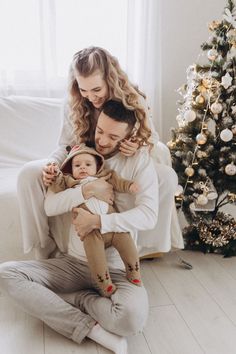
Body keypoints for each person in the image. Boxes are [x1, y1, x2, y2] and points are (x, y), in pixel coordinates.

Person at [0, 100, 159, 354]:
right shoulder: (79, 157)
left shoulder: (139, 161)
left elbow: (149, 215)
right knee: (6, 274)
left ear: (129, 136)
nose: (103, 141)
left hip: (114, 269)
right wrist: (87, 189)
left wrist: (99, 222)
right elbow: (51, 206)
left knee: (131, 319)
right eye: (100, 131)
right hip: (73, 263)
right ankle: (89, 327)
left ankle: (78, 299)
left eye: (113, 136)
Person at [17, 45, 178, 260]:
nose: (91, 97)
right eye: (83, 90)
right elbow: (65, 145)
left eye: (96, 90)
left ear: (110, 80)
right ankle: (43, 246)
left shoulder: (133, 99)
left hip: (119, 162)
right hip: (84, 164)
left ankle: (144, 248)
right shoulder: (74, 103)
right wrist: (53, 165)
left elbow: (153, 139)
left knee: (167, 176)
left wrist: (138, 144)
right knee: (28, 173)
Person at [48, 141, 142, 297]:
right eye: (77, 165)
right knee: (94, 254)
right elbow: (57, 185)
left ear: (97, 166)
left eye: (87, 164)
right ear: (71, 169)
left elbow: (119, 183)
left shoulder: (105, 176)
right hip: (91, 231)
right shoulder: (70, 183)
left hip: (110, 224)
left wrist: (129, 186)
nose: (82, 167)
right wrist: (55, 173)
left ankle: (134, 271)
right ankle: (104, 283)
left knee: (125, 236)